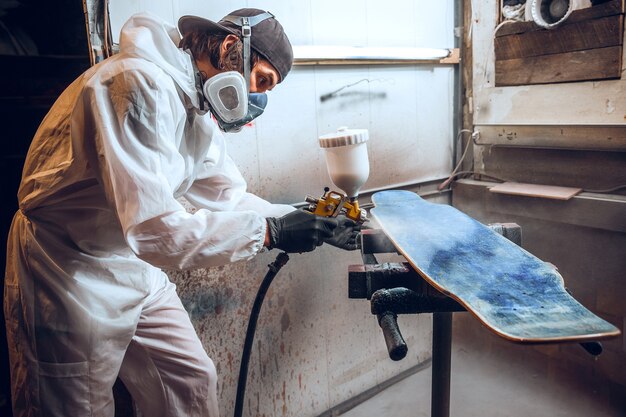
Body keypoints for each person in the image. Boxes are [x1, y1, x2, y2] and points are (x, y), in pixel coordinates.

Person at [3, 8, 359, 417]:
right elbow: (156, 230)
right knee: (77, 406)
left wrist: (309, 218)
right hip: (68, 268)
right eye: (262, 80)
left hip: (131, 263)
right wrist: (271, 233)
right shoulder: (133, 86)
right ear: (230, 48)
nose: (258, 98)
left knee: (190, 380)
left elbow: (229, 196)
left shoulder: (194, 107)